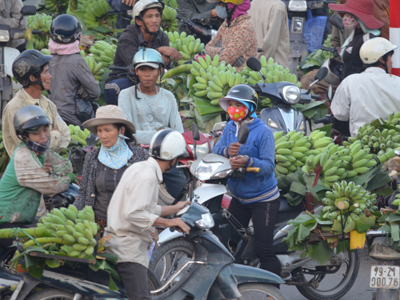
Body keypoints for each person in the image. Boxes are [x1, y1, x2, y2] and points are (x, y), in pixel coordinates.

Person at [105, 129, 191, 300]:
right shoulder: (147, 176)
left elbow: (147, 208)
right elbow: (135, 214)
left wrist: (175, 209)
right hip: (127, 248)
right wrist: (169, 223)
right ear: (173, 159)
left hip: (119, 242)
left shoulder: (141, 168)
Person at [212, 85, 281, 279]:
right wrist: (227, 152)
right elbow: (217, 149)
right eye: (230, 104)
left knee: (264, 249)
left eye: (238, 104)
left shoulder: (263, 132)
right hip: (239, 197)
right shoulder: (229, 127)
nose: (233, 108)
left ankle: (272, 292)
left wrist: (248, 160)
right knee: (230, 243)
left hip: (263, 199)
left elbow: (268, 166)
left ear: (250, 107)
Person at [0, 106, 73, 247]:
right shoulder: (23, 156)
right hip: (6, 222)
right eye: (36, 133)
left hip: (20, 220)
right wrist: (68, 178)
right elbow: (52, 186)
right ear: (25, 136)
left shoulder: (39, 152)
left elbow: (64, 164)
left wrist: (62, 172)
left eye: (45, 130)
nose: (44, 136)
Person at [119, 48, 186, 200]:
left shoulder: (168, 97)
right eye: (142, 69)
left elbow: (178, 132)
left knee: (181, 188)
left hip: (166, 154)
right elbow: (129, 133)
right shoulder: (126, 95)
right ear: (136, 72)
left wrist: (154, 135)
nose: (147, 74)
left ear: (161, 71)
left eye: (152, 69)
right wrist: (162, 133)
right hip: (137, 154)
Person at [74, 105, 148, 237]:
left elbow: (148, 191)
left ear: (121, 130)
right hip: (100, 226)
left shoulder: (140, 155)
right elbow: (84, 191)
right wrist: (72, 216)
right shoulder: (93, 157)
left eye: (108, 130)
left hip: (131, 227)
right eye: (99, 130)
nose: (103, 136)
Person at [104, 0, 182, 105]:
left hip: (152, 81)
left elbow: (163, 66)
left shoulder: (162, 37)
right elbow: (135, 61)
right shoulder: (127, 37)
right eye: (149, 17)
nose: (155, 20)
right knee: (115, 88)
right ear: (139, 21)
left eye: (157, 16)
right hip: (127, 78)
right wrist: (158, 51)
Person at [2, 49, 70, 158]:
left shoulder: (48, 104)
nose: (50, 76)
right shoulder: (15, 108)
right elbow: (30, 148)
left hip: (47, 168)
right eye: (46, 72)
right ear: (33, 77)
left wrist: (46, 141)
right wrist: (56, 134)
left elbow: (66, 136)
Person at [331, 37, 400, 137]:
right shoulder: (397, 82)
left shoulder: (350, 81)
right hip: (394, 142)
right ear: (381, 60)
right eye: (390, 58)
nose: (391, 63)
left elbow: (340, 114)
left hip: (360, 144)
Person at [48, 14, 100, 126]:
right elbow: (95, 92)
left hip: (50, 116)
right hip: (71, 119)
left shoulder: (48, 60)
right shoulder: (77, 61)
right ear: (77, 36)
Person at [204, 0, 257, 71]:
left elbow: (224, 59)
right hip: (225, 75)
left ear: (231, 6)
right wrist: (221, 51)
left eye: (220, 4)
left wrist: (221, 55)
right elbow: (207, 48)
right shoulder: (227, 24)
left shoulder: (245, 26)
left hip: (241, 79)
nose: (217, 7)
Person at [248, 0, 290, 68]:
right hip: (273, 64)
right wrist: (260, 62)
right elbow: (271, 42)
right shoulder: (278, 7)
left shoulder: (252, 4)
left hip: (252, 60)